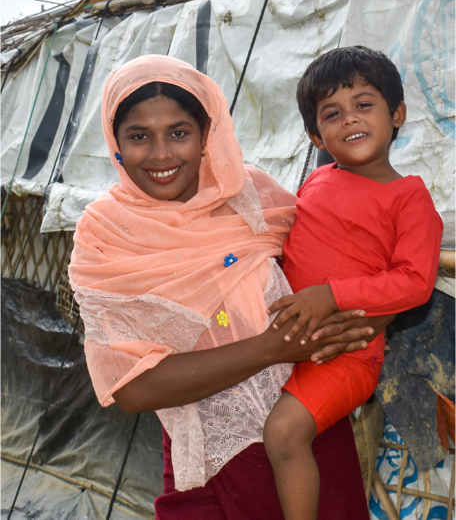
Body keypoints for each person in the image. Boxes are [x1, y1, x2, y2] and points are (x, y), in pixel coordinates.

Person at [69, 54, 394, 520]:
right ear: (115, 143)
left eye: (179, 133)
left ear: (206, 135)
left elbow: (342, 271)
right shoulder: (105, 237)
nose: (161, 154)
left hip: (313, 442)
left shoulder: (253, 198)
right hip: (211, 467)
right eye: (139, 136)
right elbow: (133, 389)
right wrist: (274, 347)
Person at [263, 46, 443, 520]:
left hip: (346, 355)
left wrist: (333, 295)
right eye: (332, 113)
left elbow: (415, 282)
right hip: (285, 339)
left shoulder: (410, 199)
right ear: (313, 133)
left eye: (364, 104)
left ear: (397, 113)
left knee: (283, 433)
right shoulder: (316, 179)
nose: (349, 119)